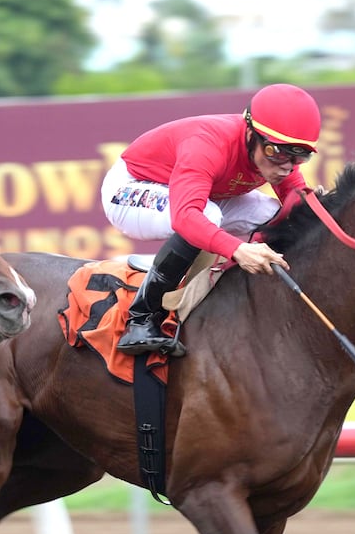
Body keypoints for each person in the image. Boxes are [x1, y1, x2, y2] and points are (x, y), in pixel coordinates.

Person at [100, 83, 321, 356]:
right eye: (277, 153)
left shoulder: (273, 153)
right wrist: (238, 250)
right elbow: (186, 217)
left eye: (299, 156)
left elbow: (297, 203)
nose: (286, 166)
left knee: (275, 214)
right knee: (206, 215)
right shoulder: (208, 145)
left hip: (198, 194)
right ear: (250, 133)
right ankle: (141, 319)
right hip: (128, 189)